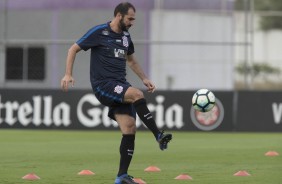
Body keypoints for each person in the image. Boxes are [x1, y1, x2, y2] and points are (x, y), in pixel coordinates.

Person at [61, 2, 172, 184]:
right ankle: (158, 135)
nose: (132, 22)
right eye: (130, 19)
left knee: (129, 127)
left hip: (120, 84)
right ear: (119, 16)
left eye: (133, 19)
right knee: (137, 94)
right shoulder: (99, 32)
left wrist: (144, 78)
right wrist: (67, 74)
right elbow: (73, 49)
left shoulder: (126, 37)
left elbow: (131, 60)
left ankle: (121, 176)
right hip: (103, 85)